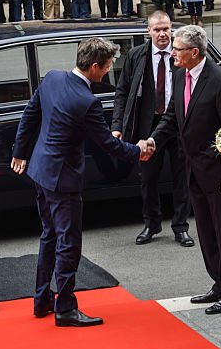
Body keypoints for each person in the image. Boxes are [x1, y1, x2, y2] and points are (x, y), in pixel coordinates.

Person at [12, 38, 148, 326]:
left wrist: (20, 152)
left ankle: (42, 299)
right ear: (95, 66)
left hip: (41, 171)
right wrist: (138, 151)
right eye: (108, 67)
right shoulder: (88, 101)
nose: (108, 72)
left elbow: (30, 115)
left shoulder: (52, 78)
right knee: (68, 242)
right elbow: (108, 145)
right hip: (63, 180)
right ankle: (65, 307)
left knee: (49, 235)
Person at [147, 25, 221, 315]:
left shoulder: (220, 80)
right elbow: (172, 117)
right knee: (205, 229)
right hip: (193, 168)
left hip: (219, 172)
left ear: (194, 52)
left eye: (177, 49)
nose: (172, 53)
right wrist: (154, 140)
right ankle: (219, 282)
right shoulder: (181, 75)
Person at [112, 11, 192, 248]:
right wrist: (117, 125)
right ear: (148, 32)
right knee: (147, 178)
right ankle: (152, 223)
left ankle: (181, 227)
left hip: (178, 124)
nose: (162, 34)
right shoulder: (138, 55)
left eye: (166, 29)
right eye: (157, 30)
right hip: (148, 125)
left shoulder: (180, 55)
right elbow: (122, 92)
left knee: (181, 176)